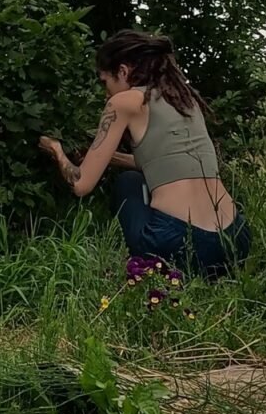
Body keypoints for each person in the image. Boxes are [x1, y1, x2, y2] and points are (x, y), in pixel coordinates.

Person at [38, 30, 249, 277]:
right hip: (234, 240)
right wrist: (113, 158)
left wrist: (56, 149)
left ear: (123, 71)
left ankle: (143, 267)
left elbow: (81, 185)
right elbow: (169, 165)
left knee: (129, 182)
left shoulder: (124, 101)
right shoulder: (184, 99)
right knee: (139, 175)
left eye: (105, 81)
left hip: (177, 243)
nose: (106, 92)